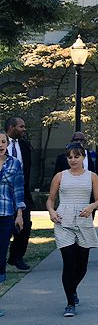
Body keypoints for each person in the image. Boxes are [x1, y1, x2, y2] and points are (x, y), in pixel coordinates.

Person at [46, 142, 98, 316]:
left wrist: (91, 207)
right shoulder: (60, 176)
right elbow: (50, 200)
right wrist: (51, 212)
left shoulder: (92, 176)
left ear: (83, 157)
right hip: (64, 221)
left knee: (82, 265)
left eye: (76, 156)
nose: (73, 160)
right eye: (69, 157)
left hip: (83, 220)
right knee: (69, 263)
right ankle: (70, 302)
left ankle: (73, 288)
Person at [5, 115, 32, 271]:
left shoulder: (24, 146)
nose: (24, 129)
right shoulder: (2, 144)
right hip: (4, 193)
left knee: (25, 225)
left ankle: (16, 257)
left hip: (22, 192)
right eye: (21, 126)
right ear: (11, 127)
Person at [0, 129, 26, 288]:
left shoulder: (14, 163)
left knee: (2, 250)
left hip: (6, 213)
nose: (0, 145)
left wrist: (19, 214)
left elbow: (18, 190)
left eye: (3, 142)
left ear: (7, 144)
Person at [53, 130, 98, 198]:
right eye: (76, 140)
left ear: (85, 142)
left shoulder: (95, 157)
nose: (79, 142)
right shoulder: (62, 158)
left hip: (90, 195)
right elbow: (56, 177)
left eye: (81, 140)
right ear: (72, 142)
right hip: (68, 194)